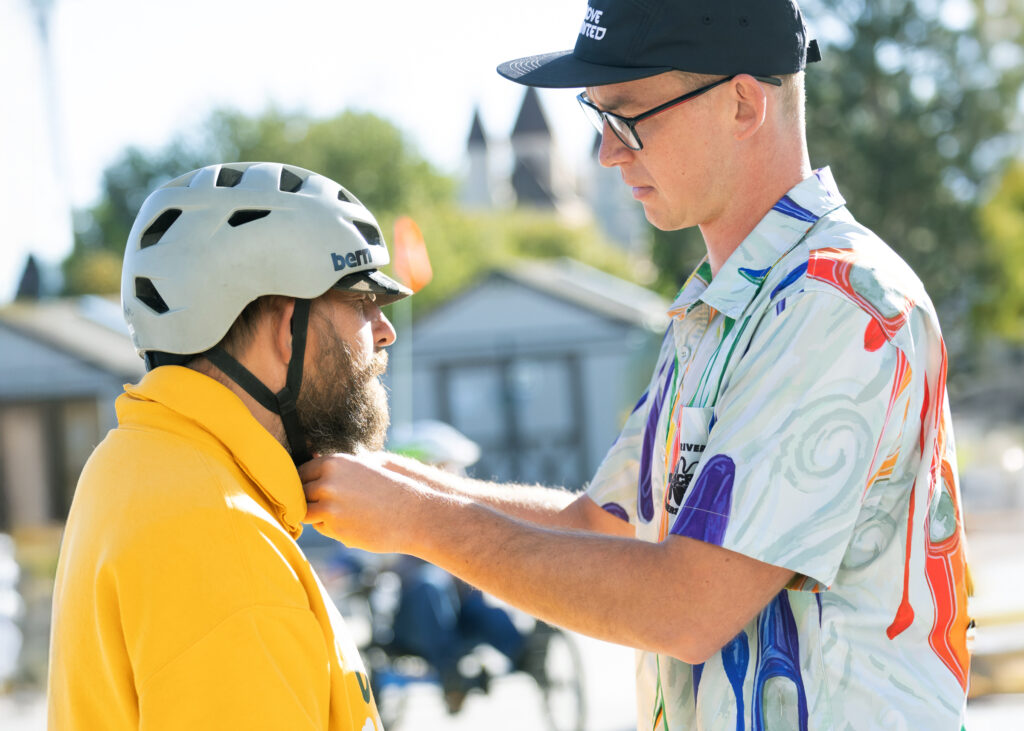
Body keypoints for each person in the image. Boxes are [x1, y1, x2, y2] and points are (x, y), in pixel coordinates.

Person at [300, 1, 973, 728]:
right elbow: (604, 525)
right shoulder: (720, 311)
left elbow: (687, 604)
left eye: (628, 118)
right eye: (598, 118)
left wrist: (418, 520)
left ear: (743, 103)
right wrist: (390, 483)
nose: (606, 154)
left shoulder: (837, 303)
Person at [47, 162, 411, 730]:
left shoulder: (131, 463)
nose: (384, 331)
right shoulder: (227, 544)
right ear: (287, 328)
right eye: (363, 301)